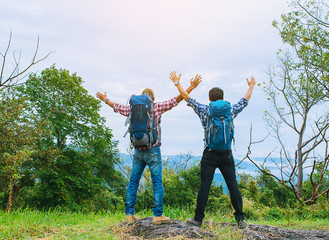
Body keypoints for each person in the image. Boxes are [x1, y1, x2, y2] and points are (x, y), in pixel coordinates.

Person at [96, 75, 201, 225]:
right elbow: (175, 100)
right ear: (152, 98)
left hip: (138, 151)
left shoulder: (132, 109)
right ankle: (158, 215)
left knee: (133, 182)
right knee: (157, 182)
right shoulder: (156, 107)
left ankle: (129, 214)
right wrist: (191, 87)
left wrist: (105, 100)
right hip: (153, 150)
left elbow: (118, 107)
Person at [169, 70, 255, 228]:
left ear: (210, 99)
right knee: (233, 185)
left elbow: (187, 97)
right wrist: (251, 86)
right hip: (226, 154)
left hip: (209, 153)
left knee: (205, 186)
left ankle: (198, 219)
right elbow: (245, 100)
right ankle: (240, 220)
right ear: (223, 98)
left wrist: (177, 82)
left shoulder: (205, 110)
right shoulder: (230, 110)